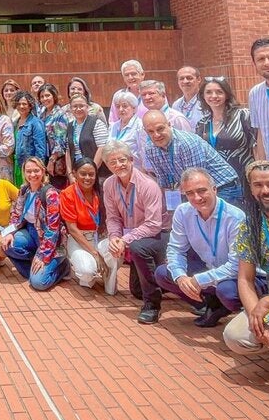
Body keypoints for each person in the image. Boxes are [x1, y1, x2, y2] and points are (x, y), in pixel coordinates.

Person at [154, 168, 253, 327]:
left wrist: (198, 280)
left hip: (234, 275)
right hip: (208, 268)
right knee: (163, 273)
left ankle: (239, 312)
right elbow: (175, 249)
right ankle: (209, 304)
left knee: (226, 292)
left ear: (214, 189)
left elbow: (236, 266)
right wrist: (181, 278)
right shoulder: (183, 211)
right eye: (190, 193)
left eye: (202, 191)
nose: (197, 198)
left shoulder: (236, 217)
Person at [100, 140, 169, 323]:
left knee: (138, 247)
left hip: (160, 235)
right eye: (112, 162)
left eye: (122, 160)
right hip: (134, 236)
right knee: (136, 291)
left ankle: (152, 305)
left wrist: (125, 239)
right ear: (107, 165)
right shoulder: (109, 185)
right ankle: (165, 282)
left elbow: (154, 224)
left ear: (131, 159)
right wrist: (114, 237)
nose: (118, 165)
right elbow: (113, 217)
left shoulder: (148, 185)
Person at [224, 161, 269, 353]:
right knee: (236, 336)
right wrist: (256, 317)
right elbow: (245, 279)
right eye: (258, 185)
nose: (266, 191)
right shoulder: (250, 226)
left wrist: (267, 302)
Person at [143, 110, 241, 208]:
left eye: (160, 129)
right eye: (151, 131)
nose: (156, 135)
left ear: (169, 125)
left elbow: (196, 179)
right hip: (192, 191)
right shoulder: (150, 149)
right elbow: (164, 182)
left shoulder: (186, 143)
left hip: (223, 186)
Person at [3, 157, 69, 289]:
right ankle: (34, 269)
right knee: (6, 244)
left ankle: (63, 268)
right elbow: (16, 214)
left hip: (50, 240)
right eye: (28, 171)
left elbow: (53, 229)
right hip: (32, 232)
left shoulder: (50, 194)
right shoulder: (24, 190)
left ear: (43, 171)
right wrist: (10, 233)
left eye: (36, 171)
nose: (32, 175)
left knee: (39, 284)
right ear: (24, 173)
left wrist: (43, 255)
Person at [195, 76, 255, 205]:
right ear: (203, 96)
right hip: (217, 183)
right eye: (209, 92)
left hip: (244, 180)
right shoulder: (202, 124)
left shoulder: (243, 115)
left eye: (219, 92)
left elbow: (255, 146)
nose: (214, 96)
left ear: (227, 94)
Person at [60, 158, 114, 293]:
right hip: (79, 239)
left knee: (116, 251)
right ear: (74, 174)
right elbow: (72, 229)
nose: (87, 178)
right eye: (83, 174)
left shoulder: (102, 191)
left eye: (91, 174)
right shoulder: (68, 194)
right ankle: (87, 273)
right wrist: (95, 253)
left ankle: (110, 281)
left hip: (100, 237)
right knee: (87, 272)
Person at [247, 38, 269, 163]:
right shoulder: (255, 94)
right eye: (261, 59)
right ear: (254, 63)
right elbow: (260, 133)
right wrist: (262, 165)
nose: (267, 63)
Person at [65, 94, 109, 181]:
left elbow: (102, 148)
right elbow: (68, 151)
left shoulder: (96, 123)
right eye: (75, 106)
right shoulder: (70, 126)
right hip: (77, 173)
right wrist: (70, 174)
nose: (78, 109)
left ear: (87, 107)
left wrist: (91, 172)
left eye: (81, 106)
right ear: (70, 109)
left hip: (97, 174)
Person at [11, 91, 47, 188]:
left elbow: (40, 149)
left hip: (31, 168)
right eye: (19, 104)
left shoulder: (35, 123)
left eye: (24, 104)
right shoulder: (15, 123)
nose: (21, 106)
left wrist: (37, 169)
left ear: (30, 105)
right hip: (18, 165)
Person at [39, 83, 69, 185]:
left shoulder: (60, 114)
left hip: (56, 161)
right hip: (44, 158)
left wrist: (52, 161)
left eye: (47, 95)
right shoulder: (41, 114)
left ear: (54, 96)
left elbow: (61, 141)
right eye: (42, 96)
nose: (44, 99)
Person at [108, 91, 146, 167]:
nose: (121, 109)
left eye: (125, 106)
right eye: (118, 106)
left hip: (136, 170)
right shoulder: (113, 126)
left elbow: (144, 152)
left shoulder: (140, 126)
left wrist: (143, 173)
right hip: (117, 169)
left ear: (134, 108)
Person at [108, 59, 147, 124]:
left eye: (133, 74)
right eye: (126, 75)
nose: (130, 77)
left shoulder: (152, 93)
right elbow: (113, 121)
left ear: (142, 75)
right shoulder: (118, 95)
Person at [172, 66, 203, 130]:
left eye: (189, 78)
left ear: (199, 79)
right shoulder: (176, 105)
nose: (185, 81)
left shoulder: (206, 102)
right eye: (181, 78)